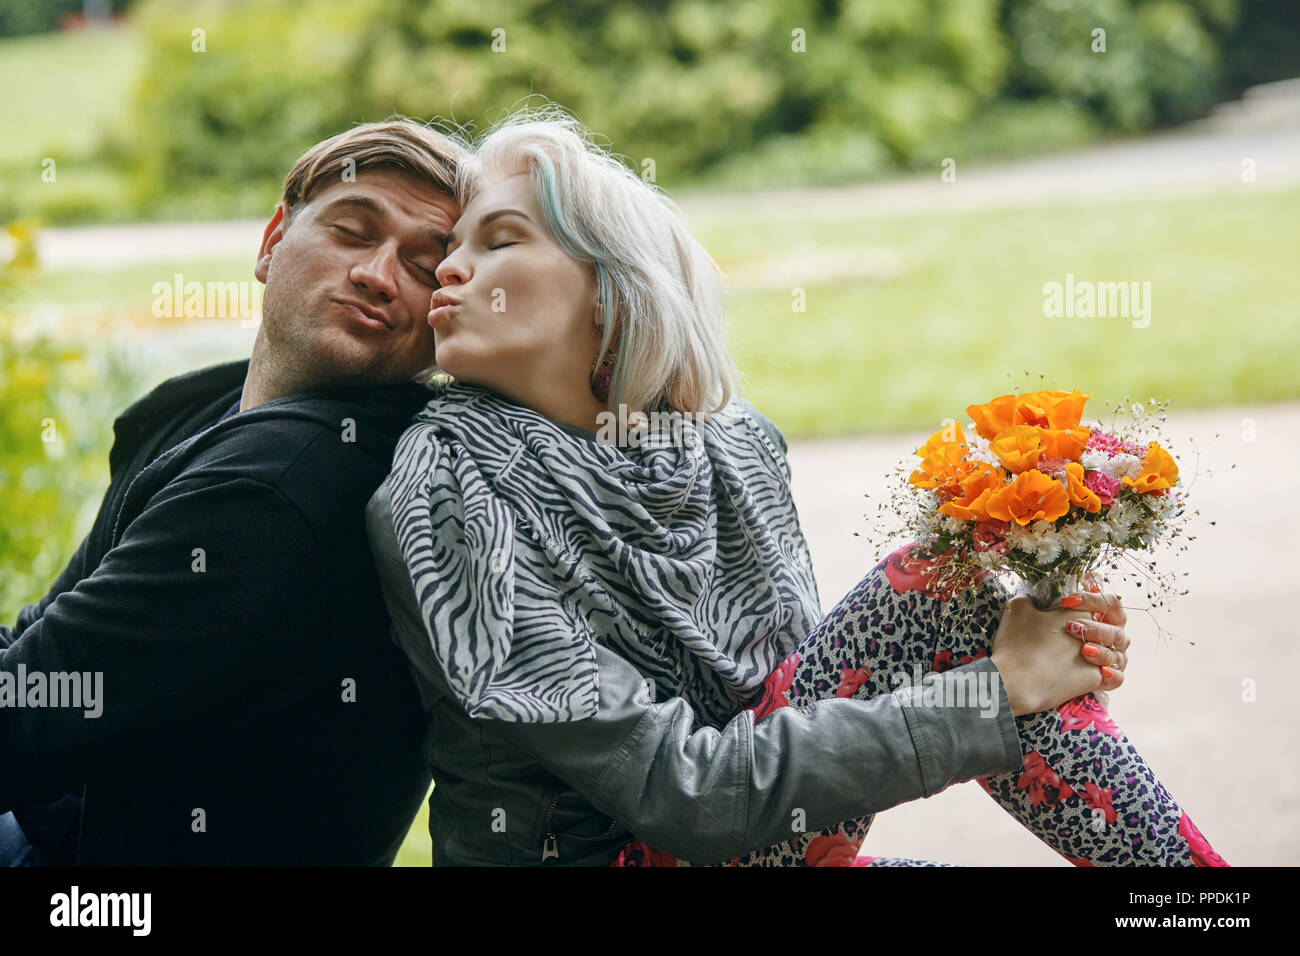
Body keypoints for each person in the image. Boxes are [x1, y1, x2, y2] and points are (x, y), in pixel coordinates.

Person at [366, 108, 1229, 866]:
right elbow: (688, 796)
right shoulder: (448, 489)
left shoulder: (731, 444)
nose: (449, 269)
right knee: (933, 593)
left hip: (758, 848)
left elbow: (808, 699)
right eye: (454, 248)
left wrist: (1047, 645)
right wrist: (998, 692)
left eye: (499, 240)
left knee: (949, 596)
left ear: (611, 285)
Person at [0, 119, 470, 865]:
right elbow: (41, 650)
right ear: (272, 240)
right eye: (353, 230)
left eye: (424, 266)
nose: (379, 274)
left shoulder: (290, 486)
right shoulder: (203, 411)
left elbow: (20, 722)